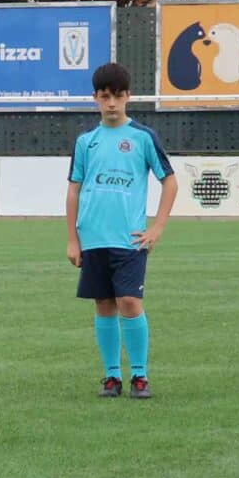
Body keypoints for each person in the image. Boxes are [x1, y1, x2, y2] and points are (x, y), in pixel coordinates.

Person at [64, 61, 176, 398]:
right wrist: (73, 238)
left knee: (129, 301)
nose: (111, 103)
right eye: (104, 96)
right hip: (93, 237)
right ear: (95, 98)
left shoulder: (142, 137)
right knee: (104, 305)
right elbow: (73, 189)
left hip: (129, 239)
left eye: (117, 96)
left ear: (129, 97)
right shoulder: (87, 141)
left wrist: (156, 227)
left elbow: (169, 181)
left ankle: (139, 375)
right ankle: (111, 376)